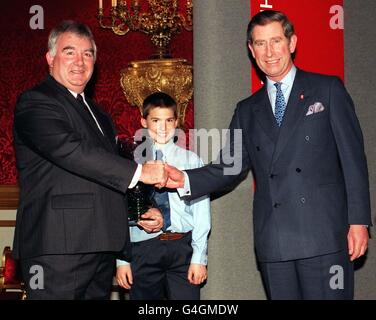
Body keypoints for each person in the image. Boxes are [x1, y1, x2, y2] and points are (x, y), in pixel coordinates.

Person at [165, 10, 371, 300]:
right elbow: (229, 166)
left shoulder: (326, 89)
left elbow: (354, 161)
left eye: (276, 41)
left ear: (293, 43)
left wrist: (359, 222)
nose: (269, 52)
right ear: (251, 50)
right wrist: (183, 178)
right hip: (275, 242)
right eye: (260, 44)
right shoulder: (247, 109)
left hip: (325, 238)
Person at [12, 21, 166, 300]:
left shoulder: (99, 113)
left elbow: (104, 173)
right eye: (69, 52)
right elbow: (71, 151)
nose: (80, 62)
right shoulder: (35, 102)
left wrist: (140, 211)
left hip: (101, 244)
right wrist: (142, 172)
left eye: (88, 54)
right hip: (57, 248)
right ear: (50, 58)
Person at [116, 92, 211, 300]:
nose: (163, 128)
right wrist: (122, 260)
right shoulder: (130, 162)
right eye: (156, 120)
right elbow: (119, 210)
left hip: (181, 247)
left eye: (169, 120)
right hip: (144, 248)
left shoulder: (191, 160)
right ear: (143, 122)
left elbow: (202, 211)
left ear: (176, 122)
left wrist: (199, 257)